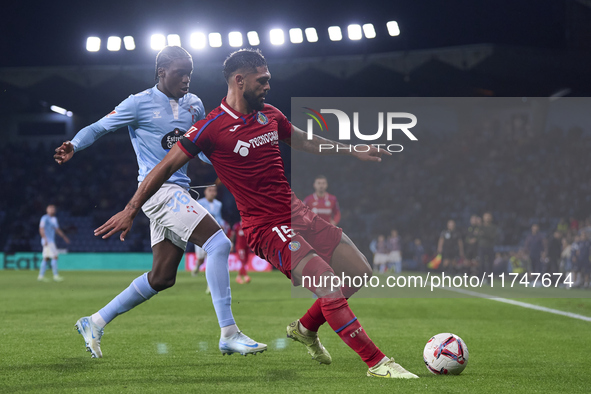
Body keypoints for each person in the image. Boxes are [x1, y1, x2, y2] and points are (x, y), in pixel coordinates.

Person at [94, 48, 417, 379]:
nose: (267, 86)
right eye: (262, 80)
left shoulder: (270, 115)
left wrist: (350, 149)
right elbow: (162, 168)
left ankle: (305, 328)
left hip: (300, 215)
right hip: (268, 228)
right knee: (328, 284)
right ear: (239, 80)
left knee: (359, 273)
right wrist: (131, 209)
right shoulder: (210, 128)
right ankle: (378, 363)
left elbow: (303, 140)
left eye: (268, 80)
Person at [53, 46, 264, 358]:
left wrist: (227, 158)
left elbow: (199, 147)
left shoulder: (194, 104)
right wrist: (74, 144)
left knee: (162, 277)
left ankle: (95, 321)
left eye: (190, 73)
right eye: (181, 73)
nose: (187, 79)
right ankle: (229, 332)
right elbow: (99, 127)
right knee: (219, 245)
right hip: (158, 192)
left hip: (179, 192)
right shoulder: (138, 103)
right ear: (162, 72)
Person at [191, 185, 225, 280]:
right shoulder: (199, 203)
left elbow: (218, 217)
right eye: (210, 190)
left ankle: (210, 283)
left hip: (213, 233)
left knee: (212, 256)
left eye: (214, 190)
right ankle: (197, 266)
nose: (212, 192)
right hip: (201, 233)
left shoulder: (218, 204)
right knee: (201, 258)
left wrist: (222, 224)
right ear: (205, 192)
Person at [38, 204, 70, 282]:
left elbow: (57, 229)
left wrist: (64, 237)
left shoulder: (54, 219)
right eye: (50, 209)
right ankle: (55, 276)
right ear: (47, 210)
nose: (52, 210)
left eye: (53, 209)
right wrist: (44, 238)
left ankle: (41, 276)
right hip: (48, 241)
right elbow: (41, 228)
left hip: (51, 240)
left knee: (46, 258)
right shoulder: (44, 218)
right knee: (55, 256)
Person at [477, 212, 498, 277]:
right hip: (482, 247)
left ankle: (489, 279)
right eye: (486, 217)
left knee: (490, 264)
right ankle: (481, 277)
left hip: (490, 247)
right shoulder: (480, 226)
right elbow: (478, 235)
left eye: (489, 217)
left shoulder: (493, 227)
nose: (487, 218)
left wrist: (483, 234)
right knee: (481, 263)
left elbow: (493, 236)